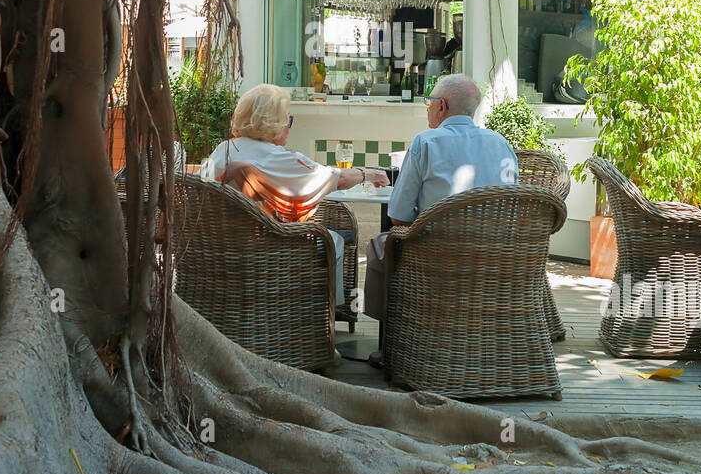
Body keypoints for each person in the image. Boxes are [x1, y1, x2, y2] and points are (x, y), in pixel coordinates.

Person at [200, 84, 387, 306]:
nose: (289, 127)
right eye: (288, 120)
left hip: (218, 250)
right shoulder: (276, 157)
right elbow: (338, 179)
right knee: (333, 240)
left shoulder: (223, 150)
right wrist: (369, 173)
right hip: (266, 251)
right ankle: (321, 312)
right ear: (273, 123)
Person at [362, 74, 519, 328]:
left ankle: (392, 339)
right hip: (495, 256)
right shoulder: (501, 144)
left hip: (436, 257)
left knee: (379, 246)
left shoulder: (425, 142)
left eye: (429, 102)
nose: (428, 108)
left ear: (442, 106)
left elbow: (398, 216)